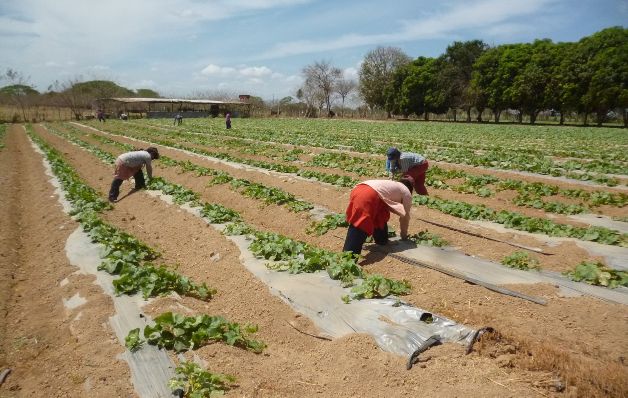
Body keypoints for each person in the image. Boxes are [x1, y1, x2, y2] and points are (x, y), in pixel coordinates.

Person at [343, 178, 414, 256]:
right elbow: (405, 217)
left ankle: (382, 240)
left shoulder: (394, 185)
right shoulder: (406, 192)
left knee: (381, 215)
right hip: (369, 194)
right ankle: (348, 256)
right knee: (360, 223)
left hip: (359, 188)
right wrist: (404, 235)